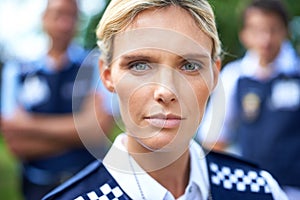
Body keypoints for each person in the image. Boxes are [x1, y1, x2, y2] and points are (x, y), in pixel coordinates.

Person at [43, 0, 288, 199]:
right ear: (108, 76)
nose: (166, 90)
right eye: (139, 65)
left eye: (189, 65)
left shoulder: (260, 189)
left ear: (214, 75)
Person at [0, 0, 115, 199]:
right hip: (37, 185)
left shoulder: (95, 66)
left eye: (71, 16)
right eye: (57, 15)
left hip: (89, 183)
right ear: (43, 19)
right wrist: (79, 132)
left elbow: (98, 132)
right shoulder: (18, 71)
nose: (64, 24)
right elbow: (15, 142)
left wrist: (28, 126)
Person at [198, 0, 300, 199]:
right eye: (257, 30)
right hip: (254, 188)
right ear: (244, 34)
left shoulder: (296, 74)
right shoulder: (234, 77)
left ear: (286, 31)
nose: (266, 39)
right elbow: (213, 137)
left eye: (273, 29)